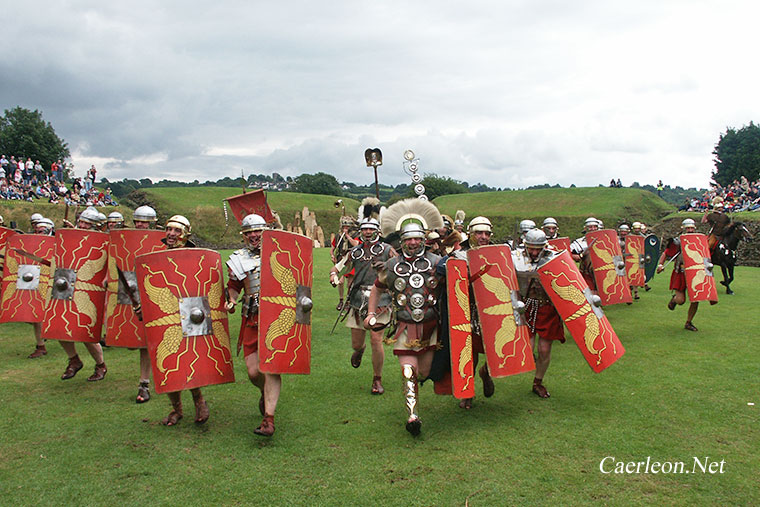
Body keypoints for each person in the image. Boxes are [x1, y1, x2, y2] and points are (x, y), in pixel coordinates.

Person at [365, 198, 443, 436]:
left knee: (423, 372)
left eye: (417, 238)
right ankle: (412, 416)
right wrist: (370, 313)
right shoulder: (391, 265)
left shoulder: (438, 263)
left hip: (431, 326)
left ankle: (421, 386)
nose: (412, 242)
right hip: (404, 326)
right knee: (407, 370)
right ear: (401, 241)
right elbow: (377, 288)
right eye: (408, 239)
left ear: (424, 239)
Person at [225, 214, 282, 436]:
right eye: (249, 233)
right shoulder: (239, 259)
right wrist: (230, 300)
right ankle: (264, 392)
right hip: (252, 318)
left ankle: (269, 419)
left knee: (271, 369)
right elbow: (233, 286)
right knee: (253, 372)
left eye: (257, 231)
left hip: (276, 318)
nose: (254, 236)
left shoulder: (279, 254)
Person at [330, 217, 394, 396]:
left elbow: (399, 268)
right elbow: (337, 268)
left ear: (377, 231)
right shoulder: (355, 252)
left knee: (376, 340)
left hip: (381, 299)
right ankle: (359, 350)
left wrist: (387, 269)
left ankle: (377, 378)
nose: (367, 232)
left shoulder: (387, 250)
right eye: (364, 229)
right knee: (357, 344)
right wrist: (333, 276)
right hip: (358, 300)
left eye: (370, 229)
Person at [159, 215, 210, 425]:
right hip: (164, 314)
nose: (171, 234)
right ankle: (176, 409)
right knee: (167, 361)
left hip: (190, 313)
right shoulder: (157, 257)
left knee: (189, 358)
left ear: (185, 234)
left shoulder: (194, 257)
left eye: (176, 231)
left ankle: (198, 399)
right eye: (169, 229)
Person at [449, 216, 496, 409]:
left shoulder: (498, 253)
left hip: (493, 306)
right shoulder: (458, 255)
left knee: (495, 348)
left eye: (487, 233)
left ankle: (486, 372)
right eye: (479, 233)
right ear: (470, 234)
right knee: (470, 350)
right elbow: (445, 272)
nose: (483, 237)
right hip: (468, 308)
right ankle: (468, 390)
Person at [58, 207, 108, 381]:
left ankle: (101, 365)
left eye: (88, 224)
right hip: (67, 286)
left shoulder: (104, 243)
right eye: (82, 222)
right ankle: (74, 360)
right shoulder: (71, 239)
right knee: (58, 326)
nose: (83, 226)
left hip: (90, 289)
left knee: (86, 330)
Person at [513, 229, 565, 398]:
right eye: (531, 248)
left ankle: (538, 382)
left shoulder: (554, 258)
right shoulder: (516, 258)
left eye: (538, 249)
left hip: (548, 308)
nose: (534, 252)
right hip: (525, 307)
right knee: (526, 348)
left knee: (544, 350)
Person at [657, 218, 699, 331]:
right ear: (683, 229)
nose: (690, 230)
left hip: (695, 273)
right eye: (688, 228)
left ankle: (688, 322)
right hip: (680, 272)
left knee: (695, 299)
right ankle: (674, 300)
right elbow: (666, 253)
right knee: (681, 301)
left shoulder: (698, 240)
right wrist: (660, 265)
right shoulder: (677, 241)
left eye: (691, 228)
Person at [330, 215, 359, 310]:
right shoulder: (338, 236)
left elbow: (356, 244)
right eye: (344, 227)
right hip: (341, 260)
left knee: (350, 283)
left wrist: (347, 236)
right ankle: (341, 300)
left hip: (351, 261)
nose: (345, 228)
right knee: (340, 282)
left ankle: (348, 301)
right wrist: (332, 255)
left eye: (347, 227)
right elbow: (333, 248)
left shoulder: (356, 235)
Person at [570, 217, 600, 293]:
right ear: (585, 228)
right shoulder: (579, 242)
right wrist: (577, 256)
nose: (593, 229)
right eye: (590, 227)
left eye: (595, 226)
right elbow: (568, 254)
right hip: (587, 272)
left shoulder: (604, 241)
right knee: (591, 294)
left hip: (601, 272)